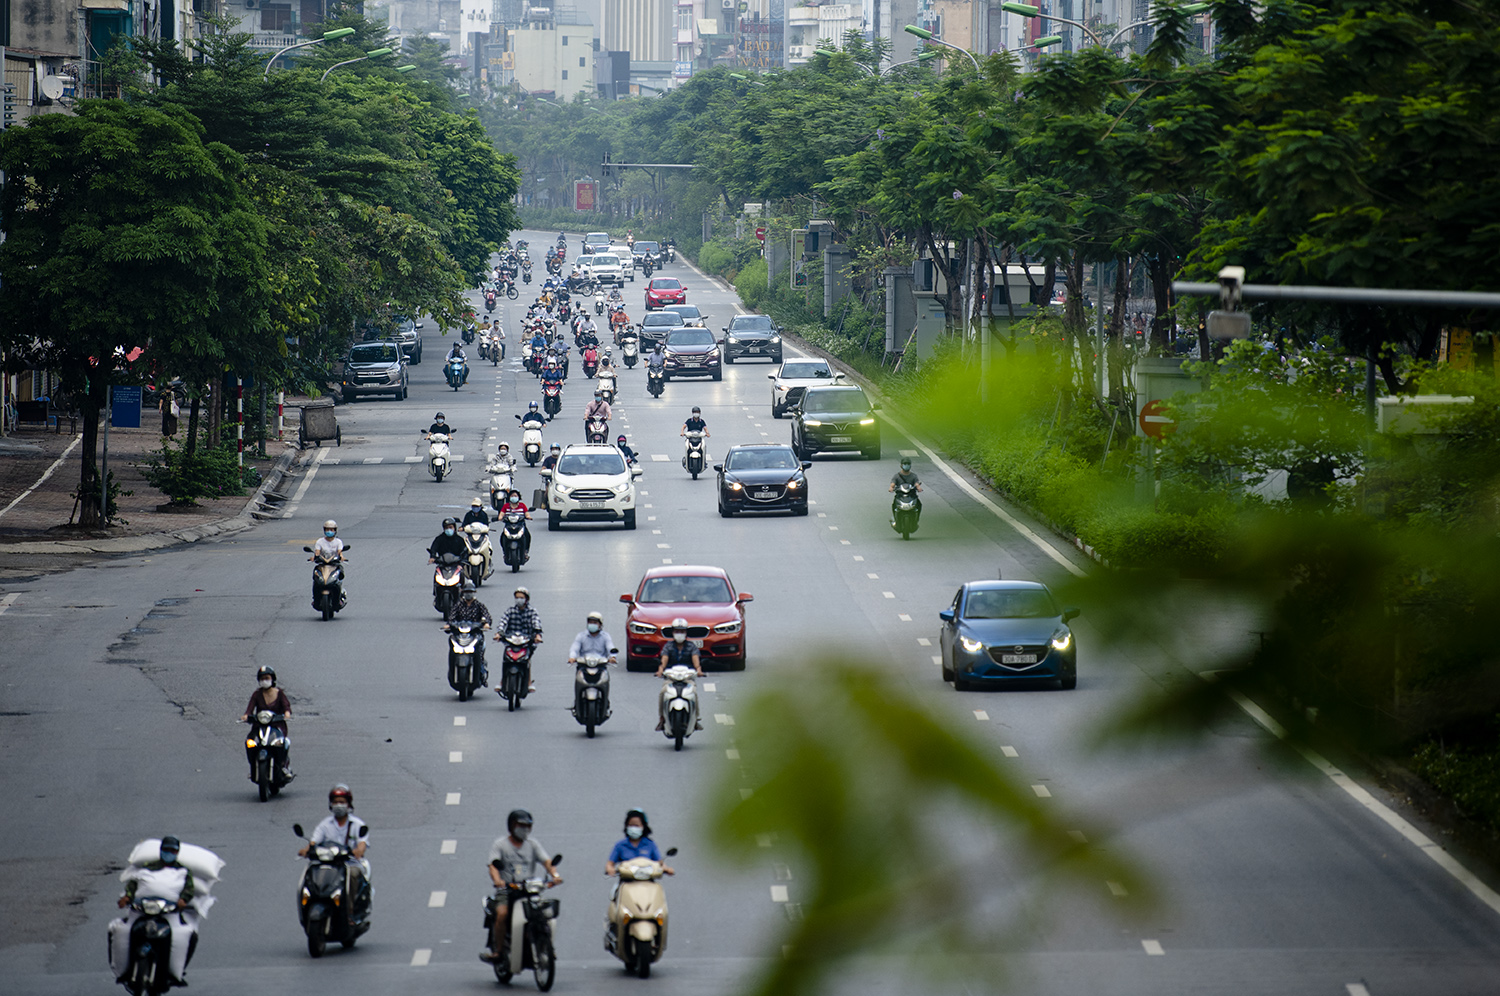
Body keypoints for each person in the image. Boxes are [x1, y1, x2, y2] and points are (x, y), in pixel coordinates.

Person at [115, 836, 199, 985]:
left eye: (172, 850)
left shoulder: (183, 871)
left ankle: (177, 972)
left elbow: (189, 889)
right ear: (161, 851)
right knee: (119, 931)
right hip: (142, 910)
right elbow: (134, 883)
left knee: (190, 935)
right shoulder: (147, 867)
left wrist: (183, 900)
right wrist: (127, 897)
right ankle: (123, 971)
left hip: (169, 912)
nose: (169, 853)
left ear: (177, 852)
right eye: (166, 850)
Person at [482, 810, 562, 963]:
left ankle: (547, 946)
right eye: (521, 825)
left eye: (528, 826)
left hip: (529, 890)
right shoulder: (500, 845)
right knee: (502, 913)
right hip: (507, 890)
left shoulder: (532, 844)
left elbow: (547, 862)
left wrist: (555, 875)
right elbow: (493, 866)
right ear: (512, 826)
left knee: (544, 916)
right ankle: (499, 951)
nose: (525, 829)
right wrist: (498, 880)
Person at [301, 784, 371, 924]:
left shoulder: (356, 824)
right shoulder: (325, 825)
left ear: (348, 804)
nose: (339, 805)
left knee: (353, 874)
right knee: (308, 875)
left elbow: (362, 844)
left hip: (349, 863)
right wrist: (306, 850)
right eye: (335, 802)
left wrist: (358, 851)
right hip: (328, 864)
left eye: (342, 802)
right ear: (330, 804)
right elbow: (314, 842)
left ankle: (349, 913)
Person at [239, 665, 294, 779]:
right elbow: (250, 708)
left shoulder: (279, 693)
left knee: (283, 743)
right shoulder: (257, 694)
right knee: (250, 743)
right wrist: (246, 716)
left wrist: (287, 713)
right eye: (262, 678)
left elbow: (286, 707)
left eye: (267, 678)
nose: (265, 680)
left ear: (272, 679)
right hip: (259, 726)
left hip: (277, 725)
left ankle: (283, 766)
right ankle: (253, 767)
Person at [654, 617, 704, 732]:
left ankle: (695, 719)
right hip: (671, 678)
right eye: (677, 631)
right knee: (663, 692)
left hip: (687, 678)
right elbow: (663, 661)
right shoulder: (668, 646)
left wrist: (698, 670)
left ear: (686, 633)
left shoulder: (691, 646)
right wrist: (660, 670)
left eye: (682, 631)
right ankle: (662, 718)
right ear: (672, 632)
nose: (679, 634)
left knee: (694, 693)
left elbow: (696, 661)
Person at [496, 585, 544, 694]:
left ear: (526, 599)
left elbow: (536, 622)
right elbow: (503, 621)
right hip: (511, 641)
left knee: (527, 660)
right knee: (506, 659)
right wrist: (499, 633)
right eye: (517, 597)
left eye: (521, 597)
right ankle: (502, 681)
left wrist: (537, 635)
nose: (519, 600)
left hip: (526, 642)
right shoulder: (510, 610)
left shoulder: (532, 612)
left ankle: (528, 683)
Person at [447, 579, 494, 685]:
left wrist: (486, 624)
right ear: (463, 593)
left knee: (480, 652)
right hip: (460, 635)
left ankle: (481, 674)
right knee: (452, 649)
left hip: (475, 635)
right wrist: (449, 624)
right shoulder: (458, 605)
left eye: (471, 592)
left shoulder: (479, 605)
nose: (469, 594)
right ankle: (451, 671)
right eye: (467, 592)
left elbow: (487, 617)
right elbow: (451, 617)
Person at [605, 809, 674, 878]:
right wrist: (610, 869)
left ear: (643, 827)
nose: (633, 828)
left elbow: (660, 863)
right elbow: (610, 863)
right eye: (631, 825)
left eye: (636, 826)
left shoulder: (650, 845)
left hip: (648, 882)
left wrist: (667, 869)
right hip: (626, 882)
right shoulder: (620, 845)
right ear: (626, 826)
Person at [497, 489, 533, 562]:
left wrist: (528, 516)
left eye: (515, 496)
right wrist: (500, 517)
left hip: (520, 525)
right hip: (508, 525)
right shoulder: (506, 506)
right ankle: (505, 552)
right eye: (512, 496)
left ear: (518, 497)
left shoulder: (522, 506)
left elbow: (526, 513)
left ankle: (525, 551)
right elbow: (501, 514)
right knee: (502, 537)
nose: (514, 497)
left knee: (527, 535)